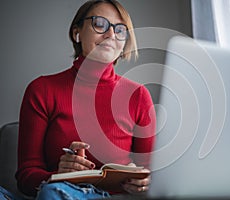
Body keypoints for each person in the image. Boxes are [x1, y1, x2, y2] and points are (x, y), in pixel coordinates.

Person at [14, 0, 156, 199]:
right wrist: (57, 176)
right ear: (76, 33)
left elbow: (152, 174)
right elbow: (26, 177)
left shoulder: (138, 96)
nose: (110, 35)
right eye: (100, 24)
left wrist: (144, 183)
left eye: (120, 29)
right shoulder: (41, 90)